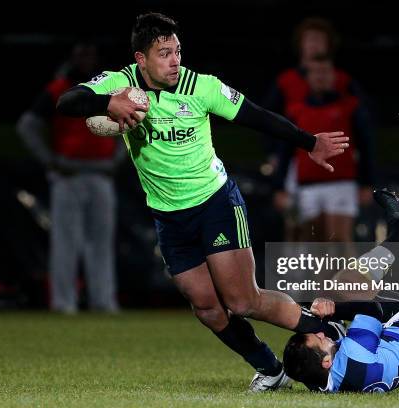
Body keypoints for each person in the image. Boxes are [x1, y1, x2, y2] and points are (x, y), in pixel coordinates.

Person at [56, 13, 349, 391]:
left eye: (177, 51)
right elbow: (68, 101)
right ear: (140, 59)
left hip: (215, 204)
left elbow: (255, 116)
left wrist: (310, 143)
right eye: (164, 53)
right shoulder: (121, 83)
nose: (175, 60)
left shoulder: (201, 86)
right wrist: (108, 101)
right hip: (168, 216)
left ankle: (325, 327)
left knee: (242, 301)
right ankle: (270, 369)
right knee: (208, 307)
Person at [283, 109, 399, 392]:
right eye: (320, 340)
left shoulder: (323, 380)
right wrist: (332, 311)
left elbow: (322, 350)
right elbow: (375, 310)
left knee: (342, 284)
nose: (322, 335)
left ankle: (396, 231)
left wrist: (323, 320)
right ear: (326, 362)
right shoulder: (355, 359)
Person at [16, 43, 126, 314]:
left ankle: (104, 302)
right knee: (66, 241)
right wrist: (50, 160)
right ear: (73, 58)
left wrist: (119, 159)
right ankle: (63, 303)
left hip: (101, 174)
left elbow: (136, 122)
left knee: (101, 242)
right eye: (81, 54)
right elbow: (27, 125)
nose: (86, 59)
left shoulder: (110, 88)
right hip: (69, 176)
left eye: (89, 54)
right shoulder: (60, 88)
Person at [273, 54, 375, 242]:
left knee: (339, 241)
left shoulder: (351, 107)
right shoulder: (296, 111)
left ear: (334, 76)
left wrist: (367, 183)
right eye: (316, 72)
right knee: (313, 244)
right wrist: (280, 187)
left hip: (341, 183)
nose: (320, 77)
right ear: (308, 78)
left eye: (325, 72)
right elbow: (285, 151)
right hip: (307, 186)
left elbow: (366, 146)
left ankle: (348, 274)